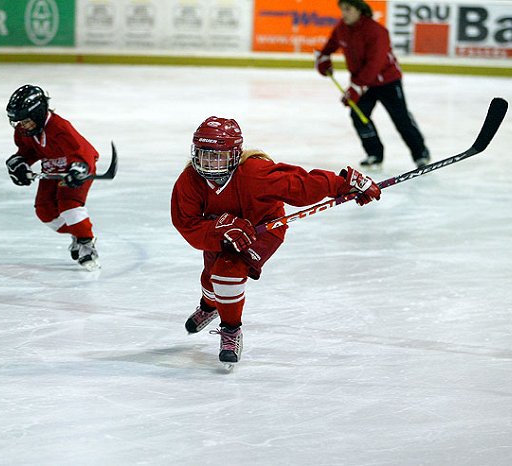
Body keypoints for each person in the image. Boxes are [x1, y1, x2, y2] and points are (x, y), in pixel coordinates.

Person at [170, 116, 381, 365]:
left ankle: (230, 330)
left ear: (235, 154)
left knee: (228, 272)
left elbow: (301, 185)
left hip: (263, 228)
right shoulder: (189, 181)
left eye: (218, 156)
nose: (209, 163)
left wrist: (344, 184)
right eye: (205, 154)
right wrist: (220, 231)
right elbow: (187, 223)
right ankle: (209, 305)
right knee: (211, 277)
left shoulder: (254, 173)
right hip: (221, 232)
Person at [314, 0, 430, 169]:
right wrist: (323, 58)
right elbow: (330, 46)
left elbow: (374, 64)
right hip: (363, 81)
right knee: (359, 115)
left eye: (348, 9)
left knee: (400, 118)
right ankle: (374, 153)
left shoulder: (377, 31)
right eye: (342, 9)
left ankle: (420, 153)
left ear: (360, 10)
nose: (343, 13)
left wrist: (355, 88)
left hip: (387, 81)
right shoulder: (342, 28)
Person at [4, 84, 100, 270]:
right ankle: (78, 231)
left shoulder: (60, 128)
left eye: (25, 121)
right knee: (45, 211)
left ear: (39, 112)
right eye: (19, 122)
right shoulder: (25, 130)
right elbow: (27, 151)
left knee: (69, 205)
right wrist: (20, 163)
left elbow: (83, 153)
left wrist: (79, 169)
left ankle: (86, 244)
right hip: (52, 167)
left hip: (77, 167)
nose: (21, 126)